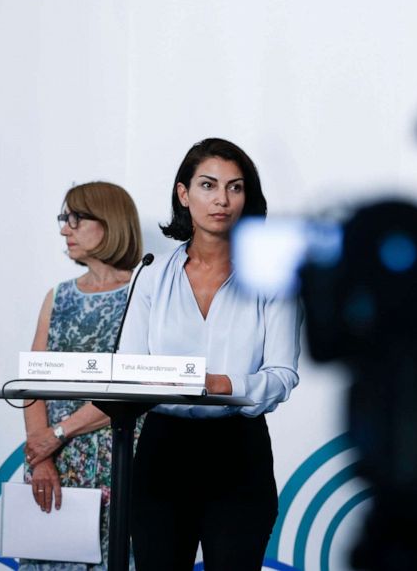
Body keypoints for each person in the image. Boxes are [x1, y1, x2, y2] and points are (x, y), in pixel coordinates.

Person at [117, 138, 301, 571]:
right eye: (208, 185)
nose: (222, 199)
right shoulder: (150, 273)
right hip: (163, 449)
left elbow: (283, 374)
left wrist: (225, 384)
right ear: (184, 194)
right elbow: (128, 366)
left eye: (235, 188)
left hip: (238, 450)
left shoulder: (272, 278)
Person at [21, 182, 144, 571]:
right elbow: (31, 382)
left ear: (110, 222)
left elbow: (135, 389)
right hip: (55, 462)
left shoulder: (144, 295)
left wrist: (57, 434)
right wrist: (40, 455)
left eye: (75, 219)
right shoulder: (57, 296)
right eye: (64, 218)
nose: (64, 229)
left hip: (122, 461)